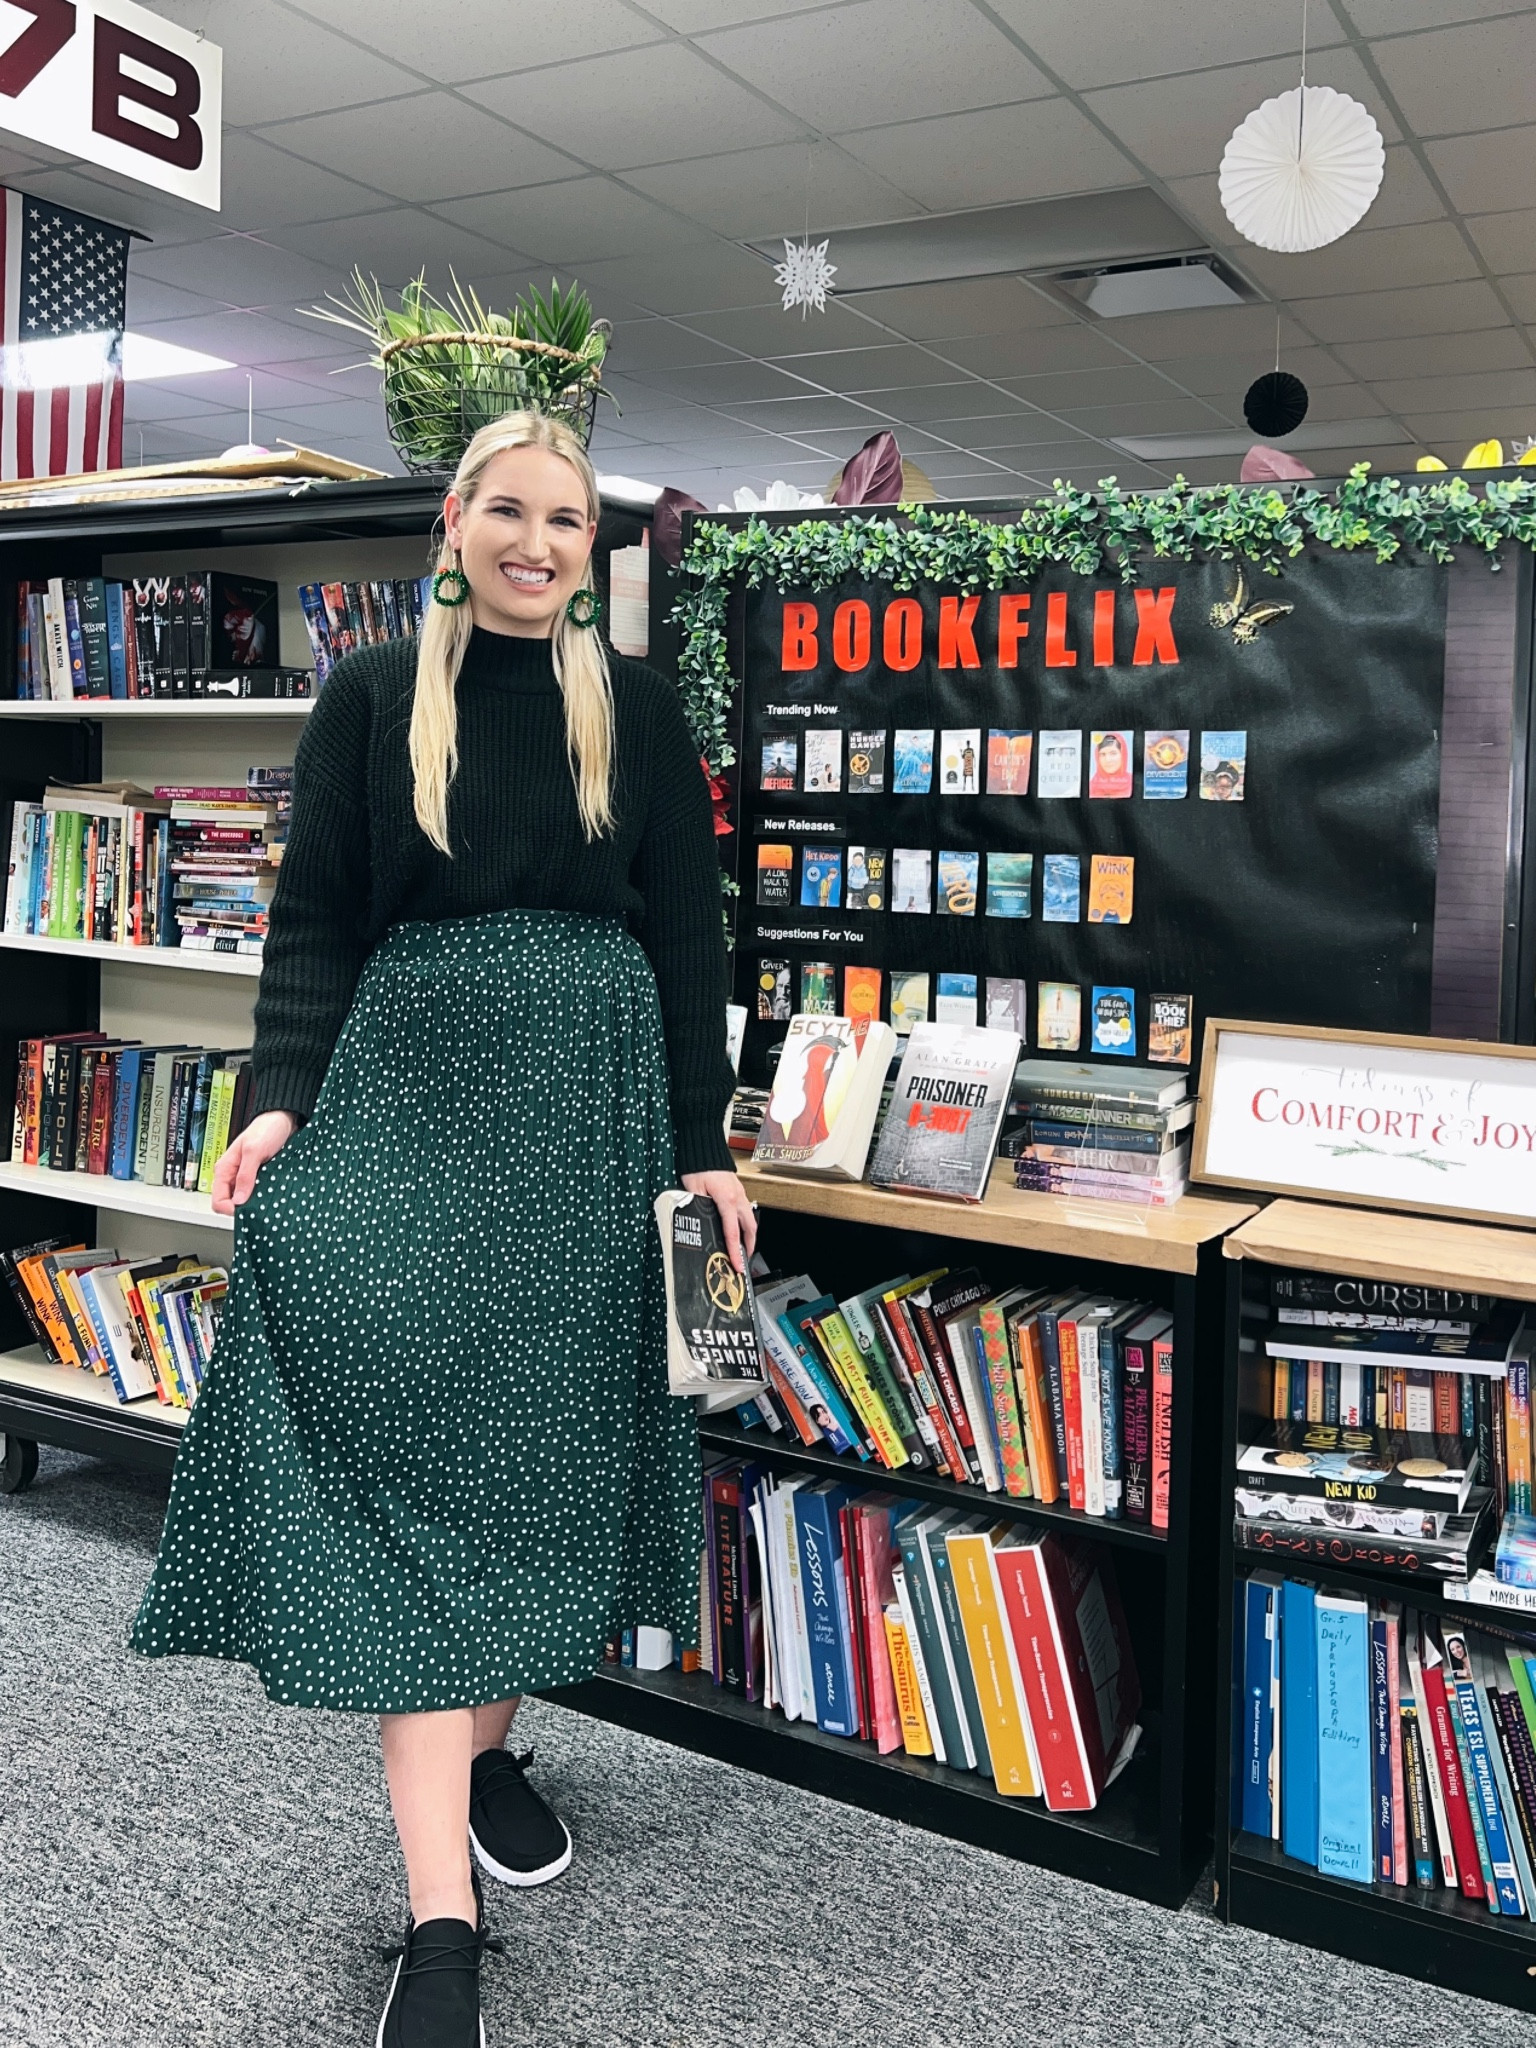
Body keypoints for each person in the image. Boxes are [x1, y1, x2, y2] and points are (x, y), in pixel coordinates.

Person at [130, 411, 756, 2048]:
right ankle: (440, 1929)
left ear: (592, 543)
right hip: (410, 1109)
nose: (536, 542)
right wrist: (277, 1097)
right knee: (416, 1474)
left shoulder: (638, 703)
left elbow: (690, 942)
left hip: (588, 1127)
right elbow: (317, 912)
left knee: (545, 1469)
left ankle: (484, 1751)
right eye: (509, 511)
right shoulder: (364, 699)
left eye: (567, 519)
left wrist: (707, 1153)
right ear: (457, 521)